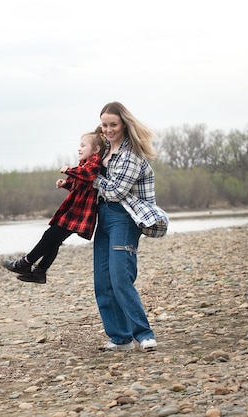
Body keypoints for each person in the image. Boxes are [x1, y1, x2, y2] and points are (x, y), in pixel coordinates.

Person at [92, 101, 169, 352]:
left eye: (113, 124)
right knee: (102, 283)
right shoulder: (103, 151)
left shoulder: (131, 155)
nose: (108, 129)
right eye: (104, 125)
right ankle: (120, 338)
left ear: (124, 124)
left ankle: (144, 334)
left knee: (120, 278)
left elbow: (115, 192)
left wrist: (92, 178)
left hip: (124, 218)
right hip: (102, 217)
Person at [3, 127, 106, 284]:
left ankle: (25, 262)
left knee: (50, 235)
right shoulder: (84, 162)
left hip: (80, 212)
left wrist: (69, 170)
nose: (79, 148)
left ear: (96, 149)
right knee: (54, 240)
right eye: (79, 145)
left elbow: (88, 175)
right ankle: (39, 272)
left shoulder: (95, 162)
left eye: (83, 145)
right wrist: (66, 183)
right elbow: (80, 184)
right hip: (75, 209)